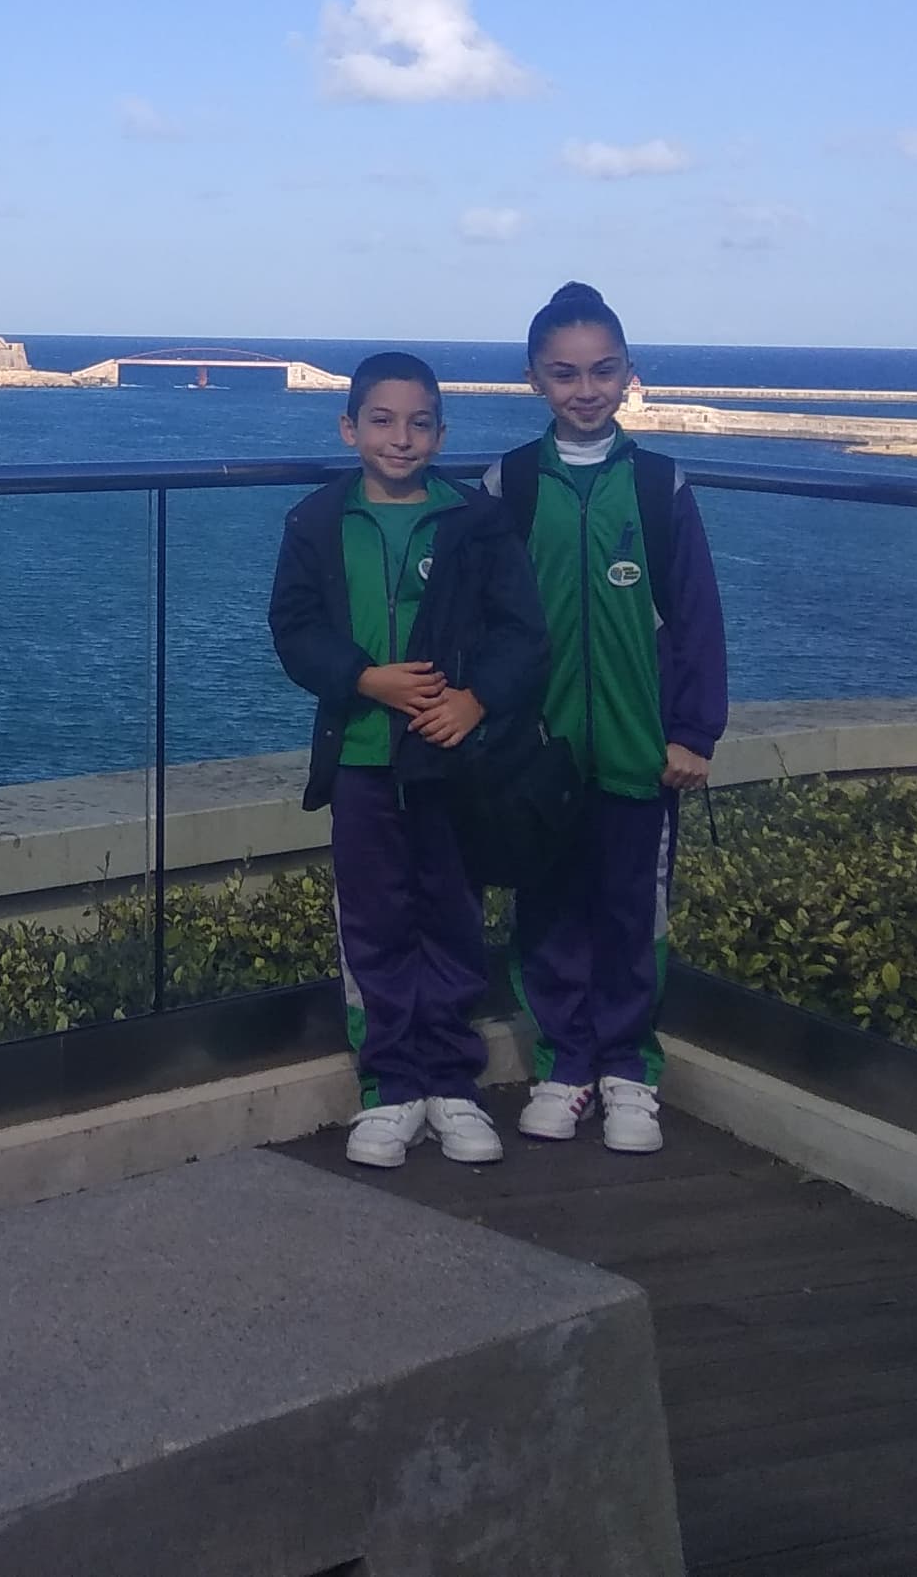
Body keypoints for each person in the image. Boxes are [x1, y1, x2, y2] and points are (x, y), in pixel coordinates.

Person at [270, 350, 551, 1167]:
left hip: (451, 758)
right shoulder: (317, 520)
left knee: (452, 913)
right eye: (383, 421)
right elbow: (294, 628)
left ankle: (452, 1084)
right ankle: (391, 1087)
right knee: (375, 923)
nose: (401, 438)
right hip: (362, 758)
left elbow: (521, 633)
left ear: (441, 433)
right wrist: (364, 678)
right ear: (349, 428)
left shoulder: (476, 520)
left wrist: (476, 701)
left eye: (420, 423)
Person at [488, 282, 730, 1155]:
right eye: (564, 374)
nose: (585, 390)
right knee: (549, 910)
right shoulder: (511, 484)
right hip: (541, 756)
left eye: (602, 371)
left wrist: (693, 731)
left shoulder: (660, 486)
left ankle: (630, 1070)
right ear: (534, 379)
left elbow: (697, 617)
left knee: (633, 917)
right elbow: (483, 620)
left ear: (630, 373)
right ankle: (565, 1066)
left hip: (640, 750)